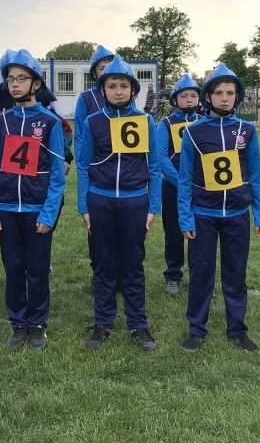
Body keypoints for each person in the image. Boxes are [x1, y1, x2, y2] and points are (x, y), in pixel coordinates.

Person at [177, 64, 260, 352]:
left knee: (235, 273)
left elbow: (255, 173)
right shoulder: (193, 132)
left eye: (230, 93)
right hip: (203, 215)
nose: (225, 98)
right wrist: (185, 217)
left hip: (238, 215)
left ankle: (237, 329)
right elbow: (184, 178)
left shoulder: (247, 130)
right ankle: (196, 329)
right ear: (208, 97)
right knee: (201, 272)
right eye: (219, 93)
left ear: (237, 97)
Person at [77, 55, 161, 352]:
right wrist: (84, 206)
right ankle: (102, 323)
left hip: (134, 202)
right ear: (103, 90)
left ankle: (138, 324)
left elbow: (154, 166)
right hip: (100, 201)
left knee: (133, 265)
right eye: (111, 85)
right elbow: (84, 164)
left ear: (133, 89)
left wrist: (153, 207)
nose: (118, 91)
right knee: (104, 265)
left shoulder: (145, 120)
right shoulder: (92, 121)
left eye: (123, 85)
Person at [0, 50, 65, 351]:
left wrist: (48, 213)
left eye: (22, 78)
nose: (15, 84)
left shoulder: (50, 122)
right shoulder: (0, 123)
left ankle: (38, 324)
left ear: (35, 83)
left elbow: (58, 174)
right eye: (10, 79)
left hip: (36, 210)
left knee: (38, 269)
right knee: (14, 268)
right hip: (6, 209)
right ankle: (18, 322)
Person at [73, 45, 116, 292]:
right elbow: (79, 134)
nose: (109, 73)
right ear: (95, 72)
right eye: (103, 68)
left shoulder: (124, 94)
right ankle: (98, 272)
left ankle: (120, 273)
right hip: (95, 168)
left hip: (122, 171)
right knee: (97, 227)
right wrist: (83, 161)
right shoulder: (87, 98)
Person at [156, 74, 202, 296]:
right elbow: (161, 157)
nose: (190, 99)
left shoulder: (204, 122)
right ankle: (173, 275)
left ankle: (199, 276)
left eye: (194, 95)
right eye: (184, 96)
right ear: (175, 99)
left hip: (202, 189)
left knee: (200, 234)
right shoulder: (166, 123)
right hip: (174, 188)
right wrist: (181, 183)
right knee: (173, 233)